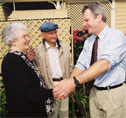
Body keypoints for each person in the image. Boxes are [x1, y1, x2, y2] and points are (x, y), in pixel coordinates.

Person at [54, 2, 126, 118]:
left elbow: (104, 64)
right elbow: (81, 65)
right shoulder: (89, 41)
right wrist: (69, 86)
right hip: (94, 93)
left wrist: (74, 82)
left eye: (87, 20)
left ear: (99, 18)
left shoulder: (117, 36)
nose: (83, 24)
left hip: (114, 94)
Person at [1, 23, 54, 117]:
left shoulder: (21, 58)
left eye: (28, 36)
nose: (28, 39)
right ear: (12, 41)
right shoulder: (12, 60)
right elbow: (27, 92)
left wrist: (30, 61)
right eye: (24, 36)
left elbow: (27, 79)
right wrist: (51, 92)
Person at [32, 22, 72, 118]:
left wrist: (70, 82)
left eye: (55, 32)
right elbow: (36, 72)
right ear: (43, 35)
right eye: (51, 33)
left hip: (64, 85)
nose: (54, 36)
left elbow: (71, 65)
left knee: (64, 113)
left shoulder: (64, 47)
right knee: (52, 115)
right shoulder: (37, 51)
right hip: (50, 87)